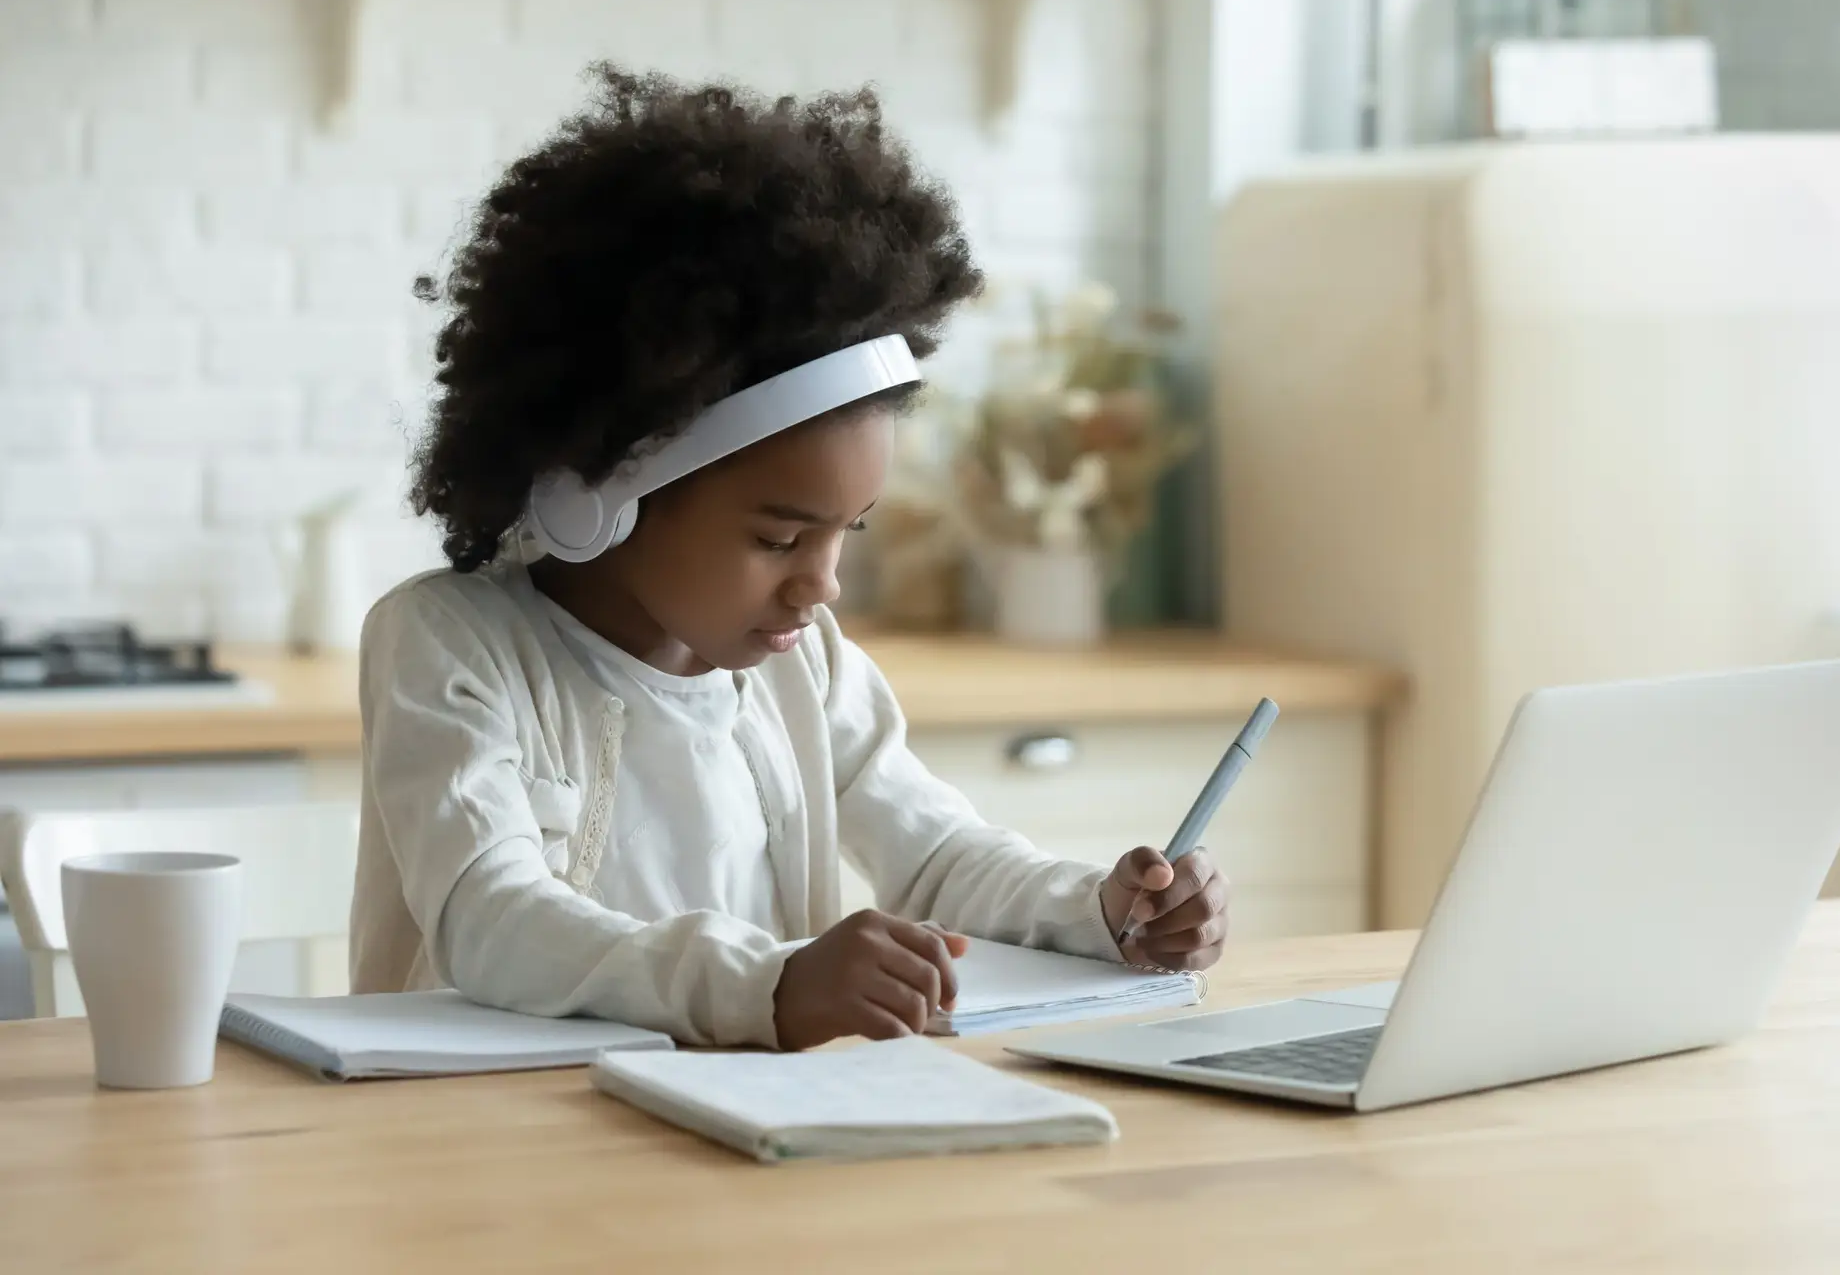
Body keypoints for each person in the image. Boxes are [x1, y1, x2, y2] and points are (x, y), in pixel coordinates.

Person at [348, 66, 1230, 1050]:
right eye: (778, 537)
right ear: (597, 492)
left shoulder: (802, 664)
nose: (822, 583)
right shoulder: (449, 642)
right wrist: (766, 983)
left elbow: (935, 851)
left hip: (744, 1137)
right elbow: (493, 923)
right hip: (493, 1153)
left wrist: (1102, 909)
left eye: (846, 532)